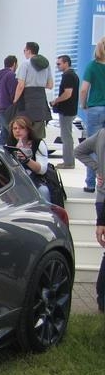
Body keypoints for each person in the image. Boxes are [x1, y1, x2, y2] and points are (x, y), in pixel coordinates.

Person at [74, 122, 105, 311]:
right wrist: (97, 169)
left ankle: (102, 298)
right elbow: (79, 151)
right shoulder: (101, 134)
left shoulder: (101, 133)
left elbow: (79, 151)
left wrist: (97, 168)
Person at [80, 36, 105, 193]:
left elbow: (84, 89)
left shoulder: (92, 66)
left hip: (95, 109)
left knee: (93, 147)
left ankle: (91, 183)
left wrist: (83, 105)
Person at [13, 41, 53, 139]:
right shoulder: (46, 65)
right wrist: (39, 83)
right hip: (41, 100)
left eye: (24, 50)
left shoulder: (25, 64)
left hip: (27, 100)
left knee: (25, 130)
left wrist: (15, 100)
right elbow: (50, 85)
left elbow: (21, 85)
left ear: (29, 51)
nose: (24, 52)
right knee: (38, 134)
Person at [9, 115, 50, 202]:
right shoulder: (9, 144)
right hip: (15, 181)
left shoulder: (38, 143)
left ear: (28, 130)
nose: (17, 131)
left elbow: (42, 170)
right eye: (15, 128)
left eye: (21, 128)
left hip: (35, 180)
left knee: (44, 191)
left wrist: (27, 160)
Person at [51, 55, 79, 169]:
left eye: (59, 64)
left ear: (66, 63)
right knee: (67, 136)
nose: (57, 66)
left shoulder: (68, 75)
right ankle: (68, 161)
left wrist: (56, 101)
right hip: (70, 109)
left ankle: (68, 162)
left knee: (66, 137)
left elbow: (67, 93)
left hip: (66, 110)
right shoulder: (73, 75)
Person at [0, 55, 18, 146]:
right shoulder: (11, 75)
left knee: (4, 134)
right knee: (13, 133)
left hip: (0, 110)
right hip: (9, 110)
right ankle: (13, 152)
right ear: (14, 64)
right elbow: (13, 93)